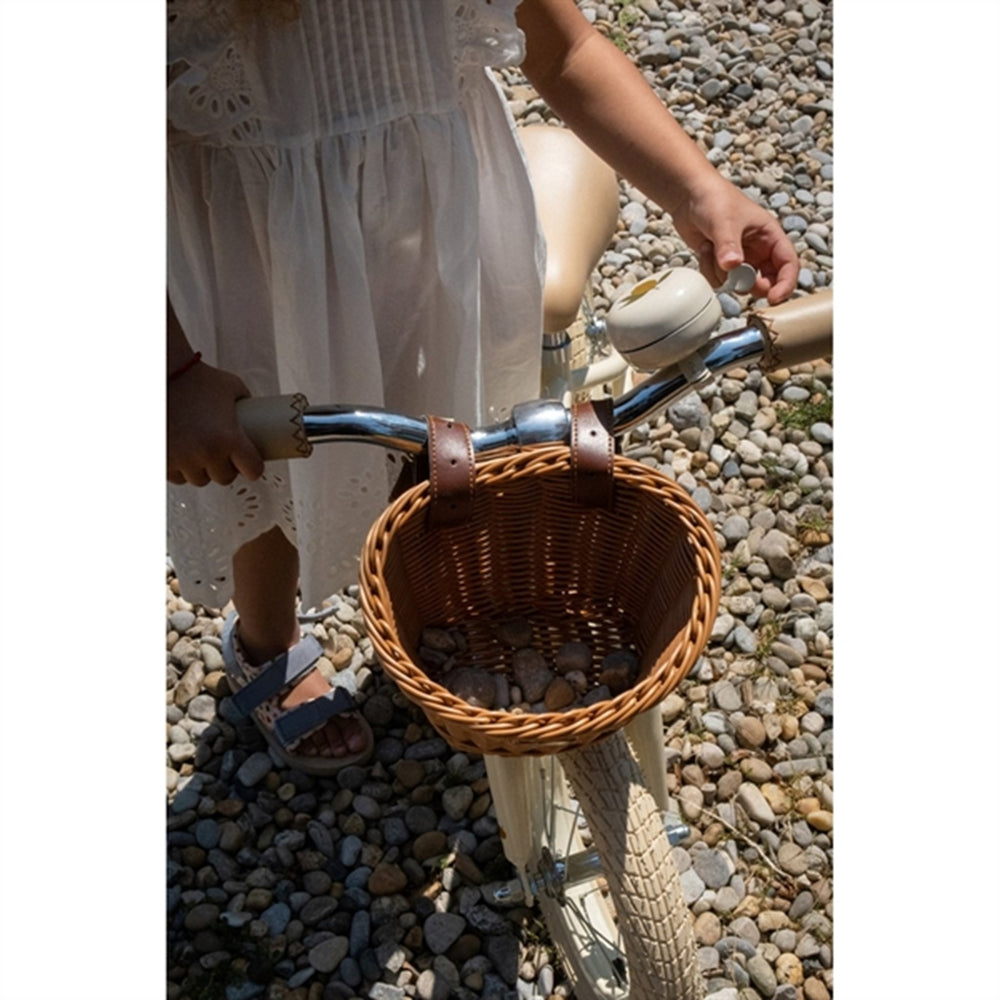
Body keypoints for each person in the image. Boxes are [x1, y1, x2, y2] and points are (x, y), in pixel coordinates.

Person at [167, 0, 799, 775]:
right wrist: (172, 372)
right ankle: (265, 642)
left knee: (442, 448)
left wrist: (699, 190)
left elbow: (564, 51)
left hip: (442, 261)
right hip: (259, 274)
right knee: (257, 467)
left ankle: (429, 601)